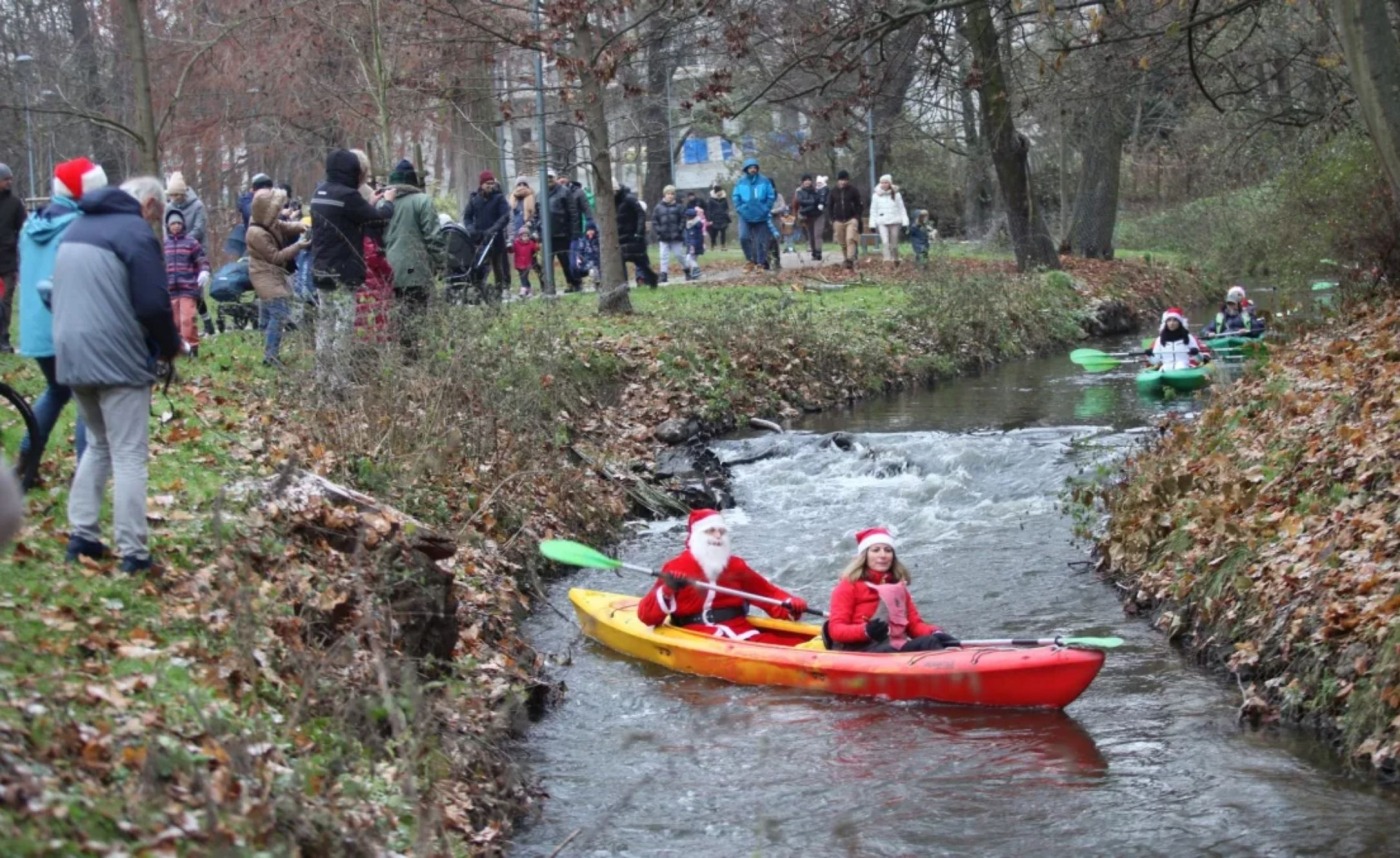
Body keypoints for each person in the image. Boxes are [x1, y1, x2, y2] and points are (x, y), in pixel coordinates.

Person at [51, 176, 183, 573]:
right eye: (156, 214)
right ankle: (134, 552)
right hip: (116, 356)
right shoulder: (134, 235)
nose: (156, 222)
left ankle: (83, 536)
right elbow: (152, 305)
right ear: (146, 204)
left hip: (71, 353)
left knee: (98, 444)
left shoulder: (76, 228)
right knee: (128, 453)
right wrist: (169, 346)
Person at [17, 157, 103, 478]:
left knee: (57, 390)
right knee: (86, 398)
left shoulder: (31, 225)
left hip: (37, 330)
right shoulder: (79, 226)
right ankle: (86, 473)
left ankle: (27, 459)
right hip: (69, 324)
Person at [637, 509, 809, 644]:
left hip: (741, 630)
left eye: (721, 531)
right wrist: (669, 589)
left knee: (795, 644)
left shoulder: (736, 566)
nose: (718, 536)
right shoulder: (676, 566)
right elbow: (647, 616)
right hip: (695, 636)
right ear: (697, 536)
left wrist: (791, 604)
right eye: (710, 531)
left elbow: (769, 596)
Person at [309, 149, 395, 394]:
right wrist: (387, 200)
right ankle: (339, 381)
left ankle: (321, 377)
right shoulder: (348, 195)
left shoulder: (319, 193)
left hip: (321, 270)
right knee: (343, 326)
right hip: (344, 272)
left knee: (325, 324)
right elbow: (379, 219)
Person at [826, 528, 960, 652]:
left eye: (888, 550)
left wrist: (936, 632)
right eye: (876, 550)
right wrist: (866, 631)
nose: (883, 555)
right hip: (858, 652)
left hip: (888, 646)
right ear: (864, 556)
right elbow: (836, 630)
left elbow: (913, 626)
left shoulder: (898, 588)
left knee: (935, 641)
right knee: (925, 644)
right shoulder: (848, 586)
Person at [383, 158, 443, 342]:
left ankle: (401, 359)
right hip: (415, 270)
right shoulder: (422, 201)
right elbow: (433, 237)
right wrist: (441, 263)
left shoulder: (382, 204)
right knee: (416, 319)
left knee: (396, 318)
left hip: (387, 271)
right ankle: (413, 359)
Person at [247, 188, 308, 368]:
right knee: (279, 312)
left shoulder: (268, 222)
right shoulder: (256, 233)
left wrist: (301, 226)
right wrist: (299, 246)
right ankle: (270, 355)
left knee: (270, 311)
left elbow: (283, 226)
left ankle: (265, 342)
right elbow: (276, 257)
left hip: (272, 273)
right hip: (263, 273)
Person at [164, 172, 216, 338]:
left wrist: (185, 243)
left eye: (176, 195)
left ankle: (207, 322)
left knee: (194, 291)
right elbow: (166, 228)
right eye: (171, 195)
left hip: (194, 250)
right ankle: (179, 329)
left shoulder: (197, 206)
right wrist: (171, 244)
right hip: (174, 252)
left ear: (182, 193)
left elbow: (199, 229)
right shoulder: (169, 207)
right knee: (177, 293)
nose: (174, 198)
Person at [163, 209, 210, 357]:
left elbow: (202, 259)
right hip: (170, 289)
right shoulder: (164, 244)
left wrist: (204, 271)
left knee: (187, 320)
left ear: (183, 225)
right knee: (175, 322)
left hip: (188, 288)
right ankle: (180, 348)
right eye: (173, 224)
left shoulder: (191, 242)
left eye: (178, 223)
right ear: (168, 226)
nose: (176, 226)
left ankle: (192, 348)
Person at [461, 170, 510, 297]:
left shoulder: (499, 198)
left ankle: (500, 289)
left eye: (492, 183)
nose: (490, 186)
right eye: (487, 183)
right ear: (482, 184)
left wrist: (494, 229)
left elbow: (505, 216)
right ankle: (480, 289)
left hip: (496, 238)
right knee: (481, 264)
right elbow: (467, 217)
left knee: (497, 265)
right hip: (480, 238)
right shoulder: (474, 200)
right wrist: (471, 230)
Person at [0, 163, 30, 353]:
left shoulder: (15, 204)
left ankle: (3, 338)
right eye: (5, 179)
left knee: (5, 301)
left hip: (8, 260)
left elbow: (24, 230)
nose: (9, 182)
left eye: (10, 178)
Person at [733, 158, 777, 271]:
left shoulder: (764, 181)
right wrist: (740, 208)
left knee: (761, 241)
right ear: (746, 169)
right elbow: (736, 197)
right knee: (743, 237)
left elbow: (771, 196)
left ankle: (761, 264)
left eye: (754, 167)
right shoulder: (740, 182)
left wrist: (766, 208)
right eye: (750, 167)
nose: (753, 169)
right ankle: (749, 260)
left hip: (761, 215)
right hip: (745, 215)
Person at [547, 170, 583, 293]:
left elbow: (573, 213)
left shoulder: (564, 192)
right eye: (546, 177)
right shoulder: (540, 194)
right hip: (547, 236)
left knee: (566, 262)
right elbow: (537, 213)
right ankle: (548, 286)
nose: (548, 180)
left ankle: (574, 283)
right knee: (546, 263)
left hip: (563, 233)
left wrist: (575, 232)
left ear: (555, 178)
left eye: (550, 177)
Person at [615, 185, 658, 288]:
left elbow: (641, 214)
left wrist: (639, 232)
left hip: (633, 235)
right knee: (620, 262)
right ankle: (624, 286)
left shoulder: (629, 199)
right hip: (621, 236)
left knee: (640, 261)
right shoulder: (613, 201)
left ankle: (652, 278)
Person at [651, 185, 690, 284]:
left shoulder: (679, 207)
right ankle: (663, 274)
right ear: (665, 194)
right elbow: (655, 220)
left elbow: (683, 219)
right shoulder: (658, 207)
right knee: (663, 256)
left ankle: (687, 270)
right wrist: (659, 230)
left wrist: (680, 229)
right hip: (663, 236)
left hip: (676, 236)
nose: (670, 196)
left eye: (672, 194)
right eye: (668, 194)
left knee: (679, 255)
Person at [827, 170, 863, 271]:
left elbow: (859, 205)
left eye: (845, 180)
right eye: (841, 180)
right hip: (838, 220)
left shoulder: (853, 190)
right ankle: (846, 258)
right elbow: (829, 206)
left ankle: (850, 259)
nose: (843, 182)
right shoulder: (833, 191)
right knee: (842, 242)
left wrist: (857, 217)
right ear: (838, 180)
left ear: (848, 180)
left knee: (850, 239)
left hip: (851, 219)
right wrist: (832, 219)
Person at [870, 174, 909, 263]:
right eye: (882, 182)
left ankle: (895, 259)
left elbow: (902, 209)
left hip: (895, 221)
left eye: (886, 182)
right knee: (885, 242)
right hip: (882, 221)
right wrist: (872, 224)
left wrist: (905, 223)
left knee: (894, 244)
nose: (884, 184)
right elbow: (873, 210)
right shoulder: (876, 195)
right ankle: (887, 260)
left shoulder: (897, 194)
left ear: (890, 183)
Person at [793, 173, 825, 262]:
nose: (807, 182)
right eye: (805, 180)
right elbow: (799, 201)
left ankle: (818, 252)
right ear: (802, 182)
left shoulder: (816, 190)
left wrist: (813, 202)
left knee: (817, 234)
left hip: (818, 215)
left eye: (809, 180)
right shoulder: (799, 191)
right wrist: (811, 202)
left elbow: (820, 200)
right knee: (811, 235)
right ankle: (814, 252)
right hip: (807, 216)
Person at [682, 196, 707, 281]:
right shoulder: (694, 224)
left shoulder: (693, 226)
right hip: (695, 244)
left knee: (689, 259)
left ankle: (696, 270)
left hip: (693, 245)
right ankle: (694, 273)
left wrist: (691, 246)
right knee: (693, 259)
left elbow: (693, 237)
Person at [571, 222, 601, 287]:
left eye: (592, 230)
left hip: (597, 262)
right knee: (592, 271)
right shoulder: (583, 241)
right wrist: (579, 258)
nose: (590, 232)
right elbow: (580, 251)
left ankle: (598, 283)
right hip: (587, 262)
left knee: (595, 271)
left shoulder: (598, 240)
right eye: (588, 231)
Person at [512, 227, 539, 297]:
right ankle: (529, 289)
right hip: (519, 264)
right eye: (524, 236)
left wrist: (536, 241)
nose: (526, 238)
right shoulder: (516, 243)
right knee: (523, 277)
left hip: (527, 264)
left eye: (527, 236)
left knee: (524, 276)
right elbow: (511, 250)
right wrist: (509, 246)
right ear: (520, 236)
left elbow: (536, 249)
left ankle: (523, 289)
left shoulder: (531, 243)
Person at [705, 184, 731, 250]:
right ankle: (713, 244)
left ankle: (723, 245)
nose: (720, 192)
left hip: (723, 218)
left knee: (723, 232)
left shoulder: (724, 199)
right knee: (714, 233)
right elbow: (709, 210)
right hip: (714, 218)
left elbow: (726, 208)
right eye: (719, 191)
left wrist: (726, 214)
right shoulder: (711, 200)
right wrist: (709, 219)